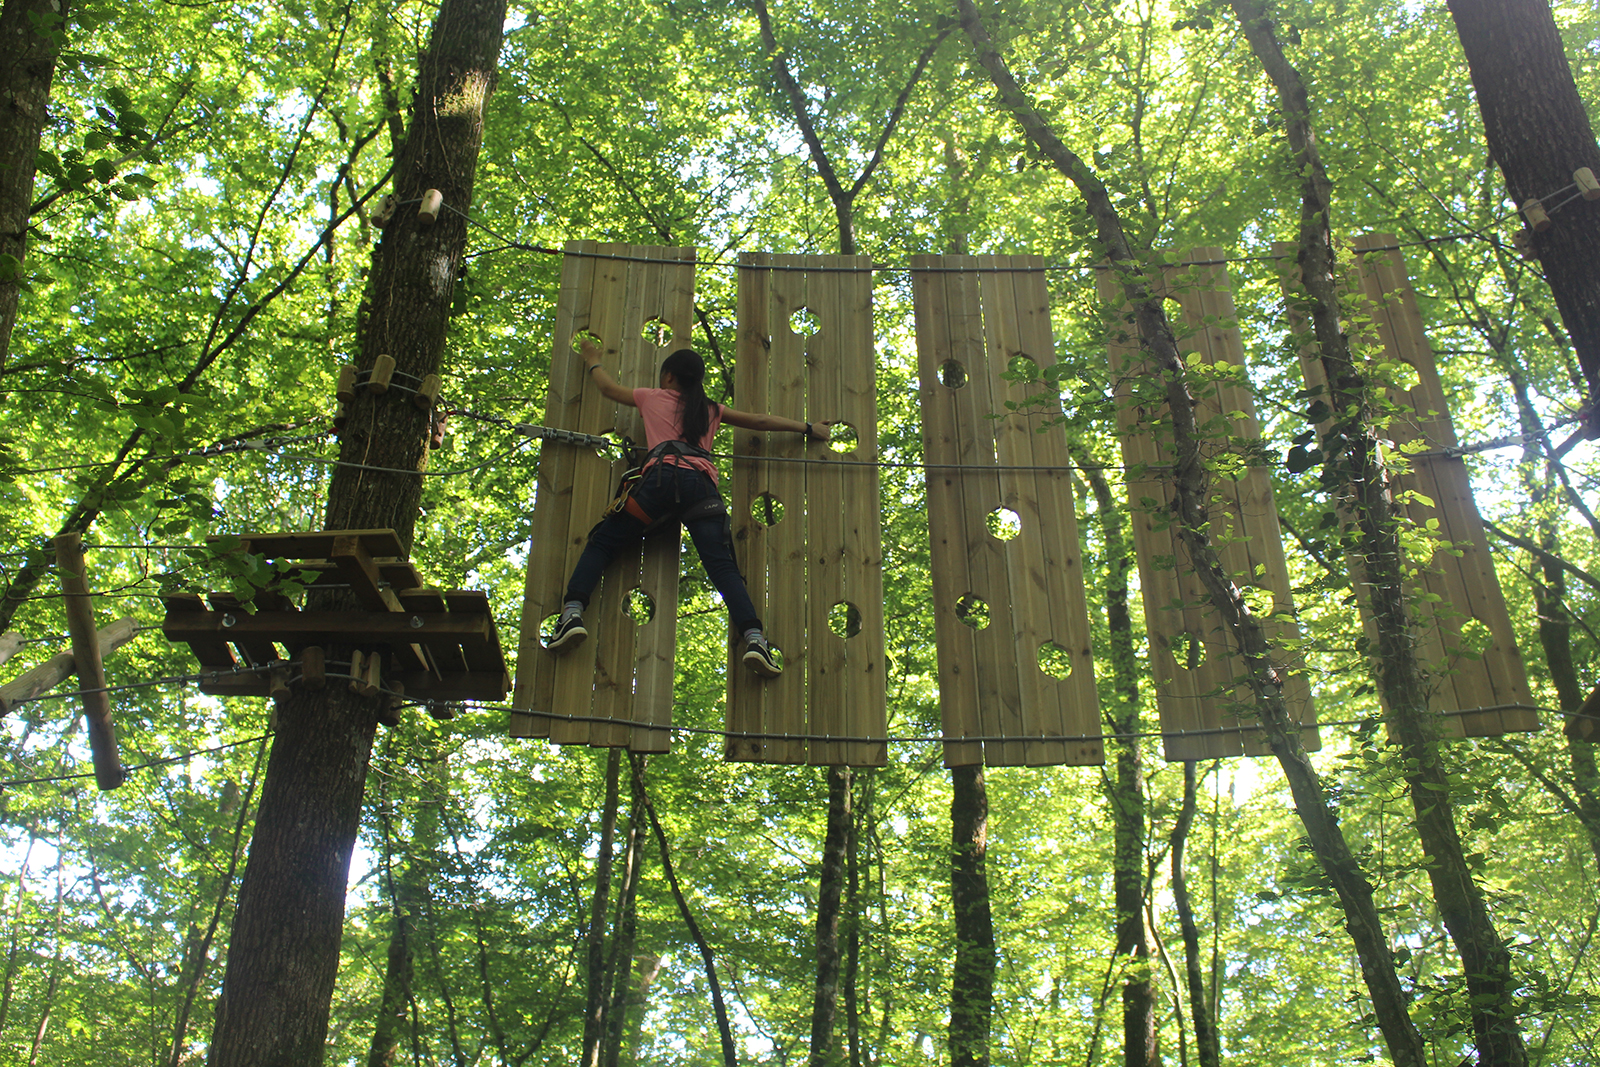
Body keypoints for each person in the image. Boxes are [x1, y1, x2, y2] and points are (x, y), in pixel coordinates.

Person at [546, 337, 829, 677]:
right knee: (723, 569)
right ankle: (755, 639)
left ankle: (572, 613)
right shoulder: (710, 410)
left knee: (603, 542)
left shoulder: (652, 397)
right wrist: (809, 428)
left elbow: (607, 388)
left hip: (659, 483)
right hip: (702, 492)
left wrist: (592, 358)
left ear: (667, 378)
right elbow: (759, 421)